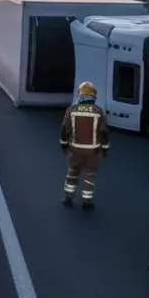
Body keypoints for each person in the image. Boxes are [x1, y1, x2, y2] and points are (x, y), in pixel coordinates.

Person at [59, 81, 110, 209]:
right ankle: (87, 202)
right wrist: (105, 148)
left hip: (75, 150)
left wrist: (64, 144)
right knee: (89, 175)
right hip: (93, 152)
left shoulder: (71, 110)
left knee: (72, 173)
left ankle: (67, 198)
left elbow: (64, 129)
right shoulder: (98, 112)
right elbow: (104, 132)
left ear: (79, 95)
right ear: (94, 96)